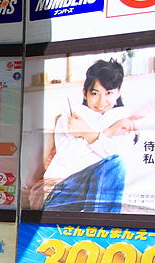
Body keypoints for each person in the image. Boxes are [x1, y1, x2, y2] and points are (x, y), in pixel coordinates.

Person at [36, 59, 147, 212]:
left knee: (116, 163)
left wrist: (87, 133)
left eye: (109, 93)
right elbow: (68, 157)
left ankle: (99, 224)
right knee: (113, 163)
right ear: (85, 93)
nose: (101, 101)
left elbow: (117, 157)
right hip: (63, 189)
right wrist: (108, 133)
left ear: (118, 92)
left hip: (99, 190)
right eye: (95, 93)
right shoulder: (71, 116)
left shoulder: (123, 120)